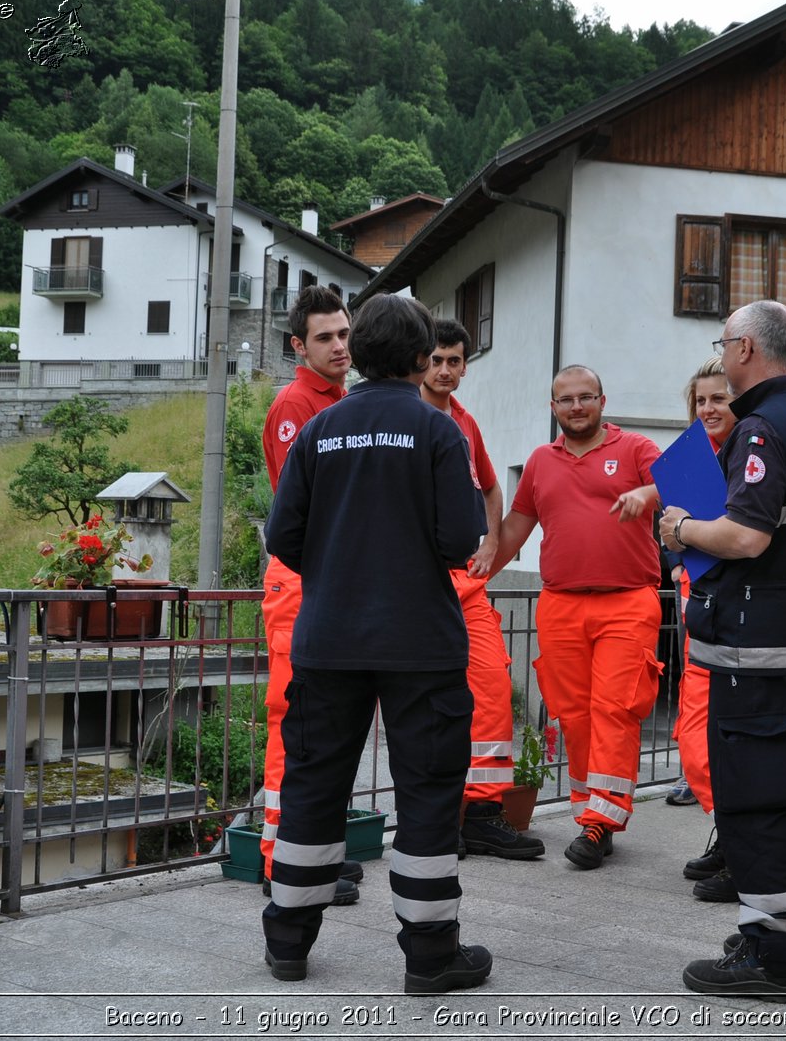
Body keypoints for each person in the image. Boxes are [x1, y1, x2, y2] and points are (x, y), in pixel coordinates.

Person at [261, 293, 491, 995]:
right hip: (420, 642)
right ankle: (430, 956)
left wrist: (341, 566)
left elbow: (283, 539)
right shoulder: (437, 431)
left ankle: (287, 943)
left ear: (356, 354)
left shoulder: (321, 431)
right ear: (425, 358)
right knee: (425, 793)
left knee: (312, 786)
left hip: (327, 639)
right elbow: (461, 540)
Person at [660, 300, 786, 1003]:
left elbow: (746, 536)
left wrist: (681, 525)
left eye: (723, 342)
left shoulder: (762, 429)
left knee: (756, 799)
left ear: (743, 348)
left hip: (761, 650)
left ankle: (771, 956)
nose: (723, 352)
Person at [489, 365, 662, 870]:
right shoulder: (541, 462)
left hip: (627, 601)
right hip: (561, 603)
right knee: (574, 716)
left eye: (586, 397)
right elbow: (514, 533)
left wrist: (647, 494)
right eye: (566, 400)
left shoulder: (636, 450)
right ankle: (592, 812)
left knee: (615, 709)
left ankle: (600, 822)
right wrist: (468, 578)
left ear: (603, 401)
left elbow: (684, 489)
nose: (577, 407)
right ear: (553, 408)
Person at [421, 320, 545, 861]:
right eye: (437, 360)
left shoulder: (466, 423)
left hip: (466, 587)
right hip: (418, 586)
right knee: (426, 702)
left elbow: (493, 489)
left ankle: (484, 813)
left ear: (466, 365)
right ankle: (437, 818)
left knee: (492, 689)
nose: (446, 370)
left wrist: (493, 543)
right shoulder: (409, 415)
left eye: (455, 360)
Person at [258, 285, 361, 907]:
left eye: (344, 334)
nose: (340, 346)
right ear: (299, 345)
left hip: (324, 576)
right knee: (291, 722)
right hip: (301, 578)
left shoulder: (334, 399)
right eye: (325, 337)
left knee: (323, 726)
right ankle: (279, 859)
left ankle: (311, 853)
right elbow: (312, 505)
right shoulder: (299, 404)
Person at [664, 358, 740, 901]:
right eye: (701, 401)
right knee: (695, 738)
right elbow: (671, 528)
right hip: (700, 617)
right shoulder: (691, 459)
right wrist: (674, 551)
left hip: (737, 622)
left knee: (720, 740)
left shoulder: (749, 457)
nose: (709, 409)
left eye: (719, 399)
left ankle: (742, 847)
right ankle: (732, 836)